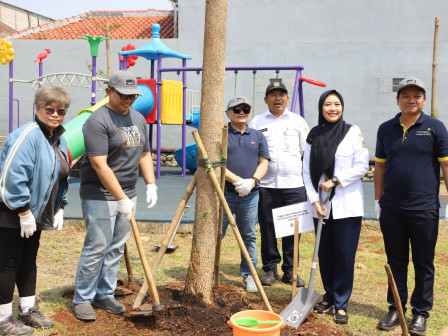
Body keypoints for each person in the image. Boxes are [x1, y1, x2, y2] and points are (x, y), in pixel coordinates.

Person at [73, 70, 158, 321]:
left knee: (116, 248)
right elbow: (99, 164)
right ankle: (82, 299)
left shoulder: (138, 118)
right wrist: (120, 197)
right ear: (109, 92)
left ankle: (104, 293)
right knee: (97, 247)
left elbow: (144, 154)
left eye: (133, 96)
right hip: (99, 194)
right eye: (123, 95)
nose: (129, 100)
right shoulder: (97, 121)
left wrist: (150, 184)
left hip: (128, 193)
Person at [374, 77, 448, 335]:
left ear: (423, 100)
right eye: (406, 95)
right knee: (396, 261)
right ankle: (395, 307)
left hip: (424, 208)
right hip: (392, 208)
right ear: (398, 100)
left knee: (424, 262)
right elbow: (380, 165)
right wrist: (377, 200)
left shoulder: (435, 128)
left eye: (417, 95)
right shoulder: (386, 129)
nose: (411, 99)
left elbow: (446, 165)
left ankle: (420, 312)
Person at [0, 86, 71, 336]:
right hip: (11, 212)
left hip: (37, 213)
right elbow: (12, 177)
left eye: (61, 111)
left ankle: (28, 309)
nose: (55, 114)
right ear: (37, 108)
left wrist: (61, 206)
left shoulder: (56, 138)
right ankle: (3, 318)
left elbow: (62, 175)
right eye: (49, 109)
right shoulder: (27, 135)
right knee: (8, 263)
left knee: (28, 260)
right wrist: (22, 211)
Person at [303, 90, 369, 324]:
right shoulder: (314, 134)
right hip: (320, 206)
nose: (332, 108)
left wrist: (337, 180)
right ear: (321, 108)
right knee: (325, 253)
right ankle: (329, 295)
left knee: (344, 254)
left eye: (337, 104)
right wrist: (314, 200)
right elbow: (306, 172)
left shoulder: (353, 132)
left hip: (346, 204)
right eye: (328, 104)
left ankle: (341, 303)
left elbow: (361, 165)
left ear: (342, 107)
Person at [250, 80, 310, 287]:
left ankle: (290, 270)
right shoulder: (257, 122)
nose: (277, 98)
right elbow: (252, 152)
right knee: (268, 229)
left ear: (287, 98)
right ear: (266, 99)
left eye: (281, 95)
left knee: (293, 230)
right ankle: (270, 269)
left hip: (293, 185)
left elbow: (308, 152)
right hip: (266, 185)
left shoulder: (297, 121)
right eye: (273, 95)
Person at [222, 96, 270, 293]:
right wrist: (237, 181)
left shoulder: (258, 136)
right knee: (216, 234)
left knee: (248, 235)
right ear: (228, 113)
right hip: (225, 192)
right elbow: (216, 163)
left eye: (246, 108)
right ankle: (210, 271)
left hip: (250, 195)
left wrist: (252, 182)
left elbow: (264, 162)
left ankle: (249, 274)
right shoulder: (222, 134)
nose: (242, 112)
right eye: (237, 109)